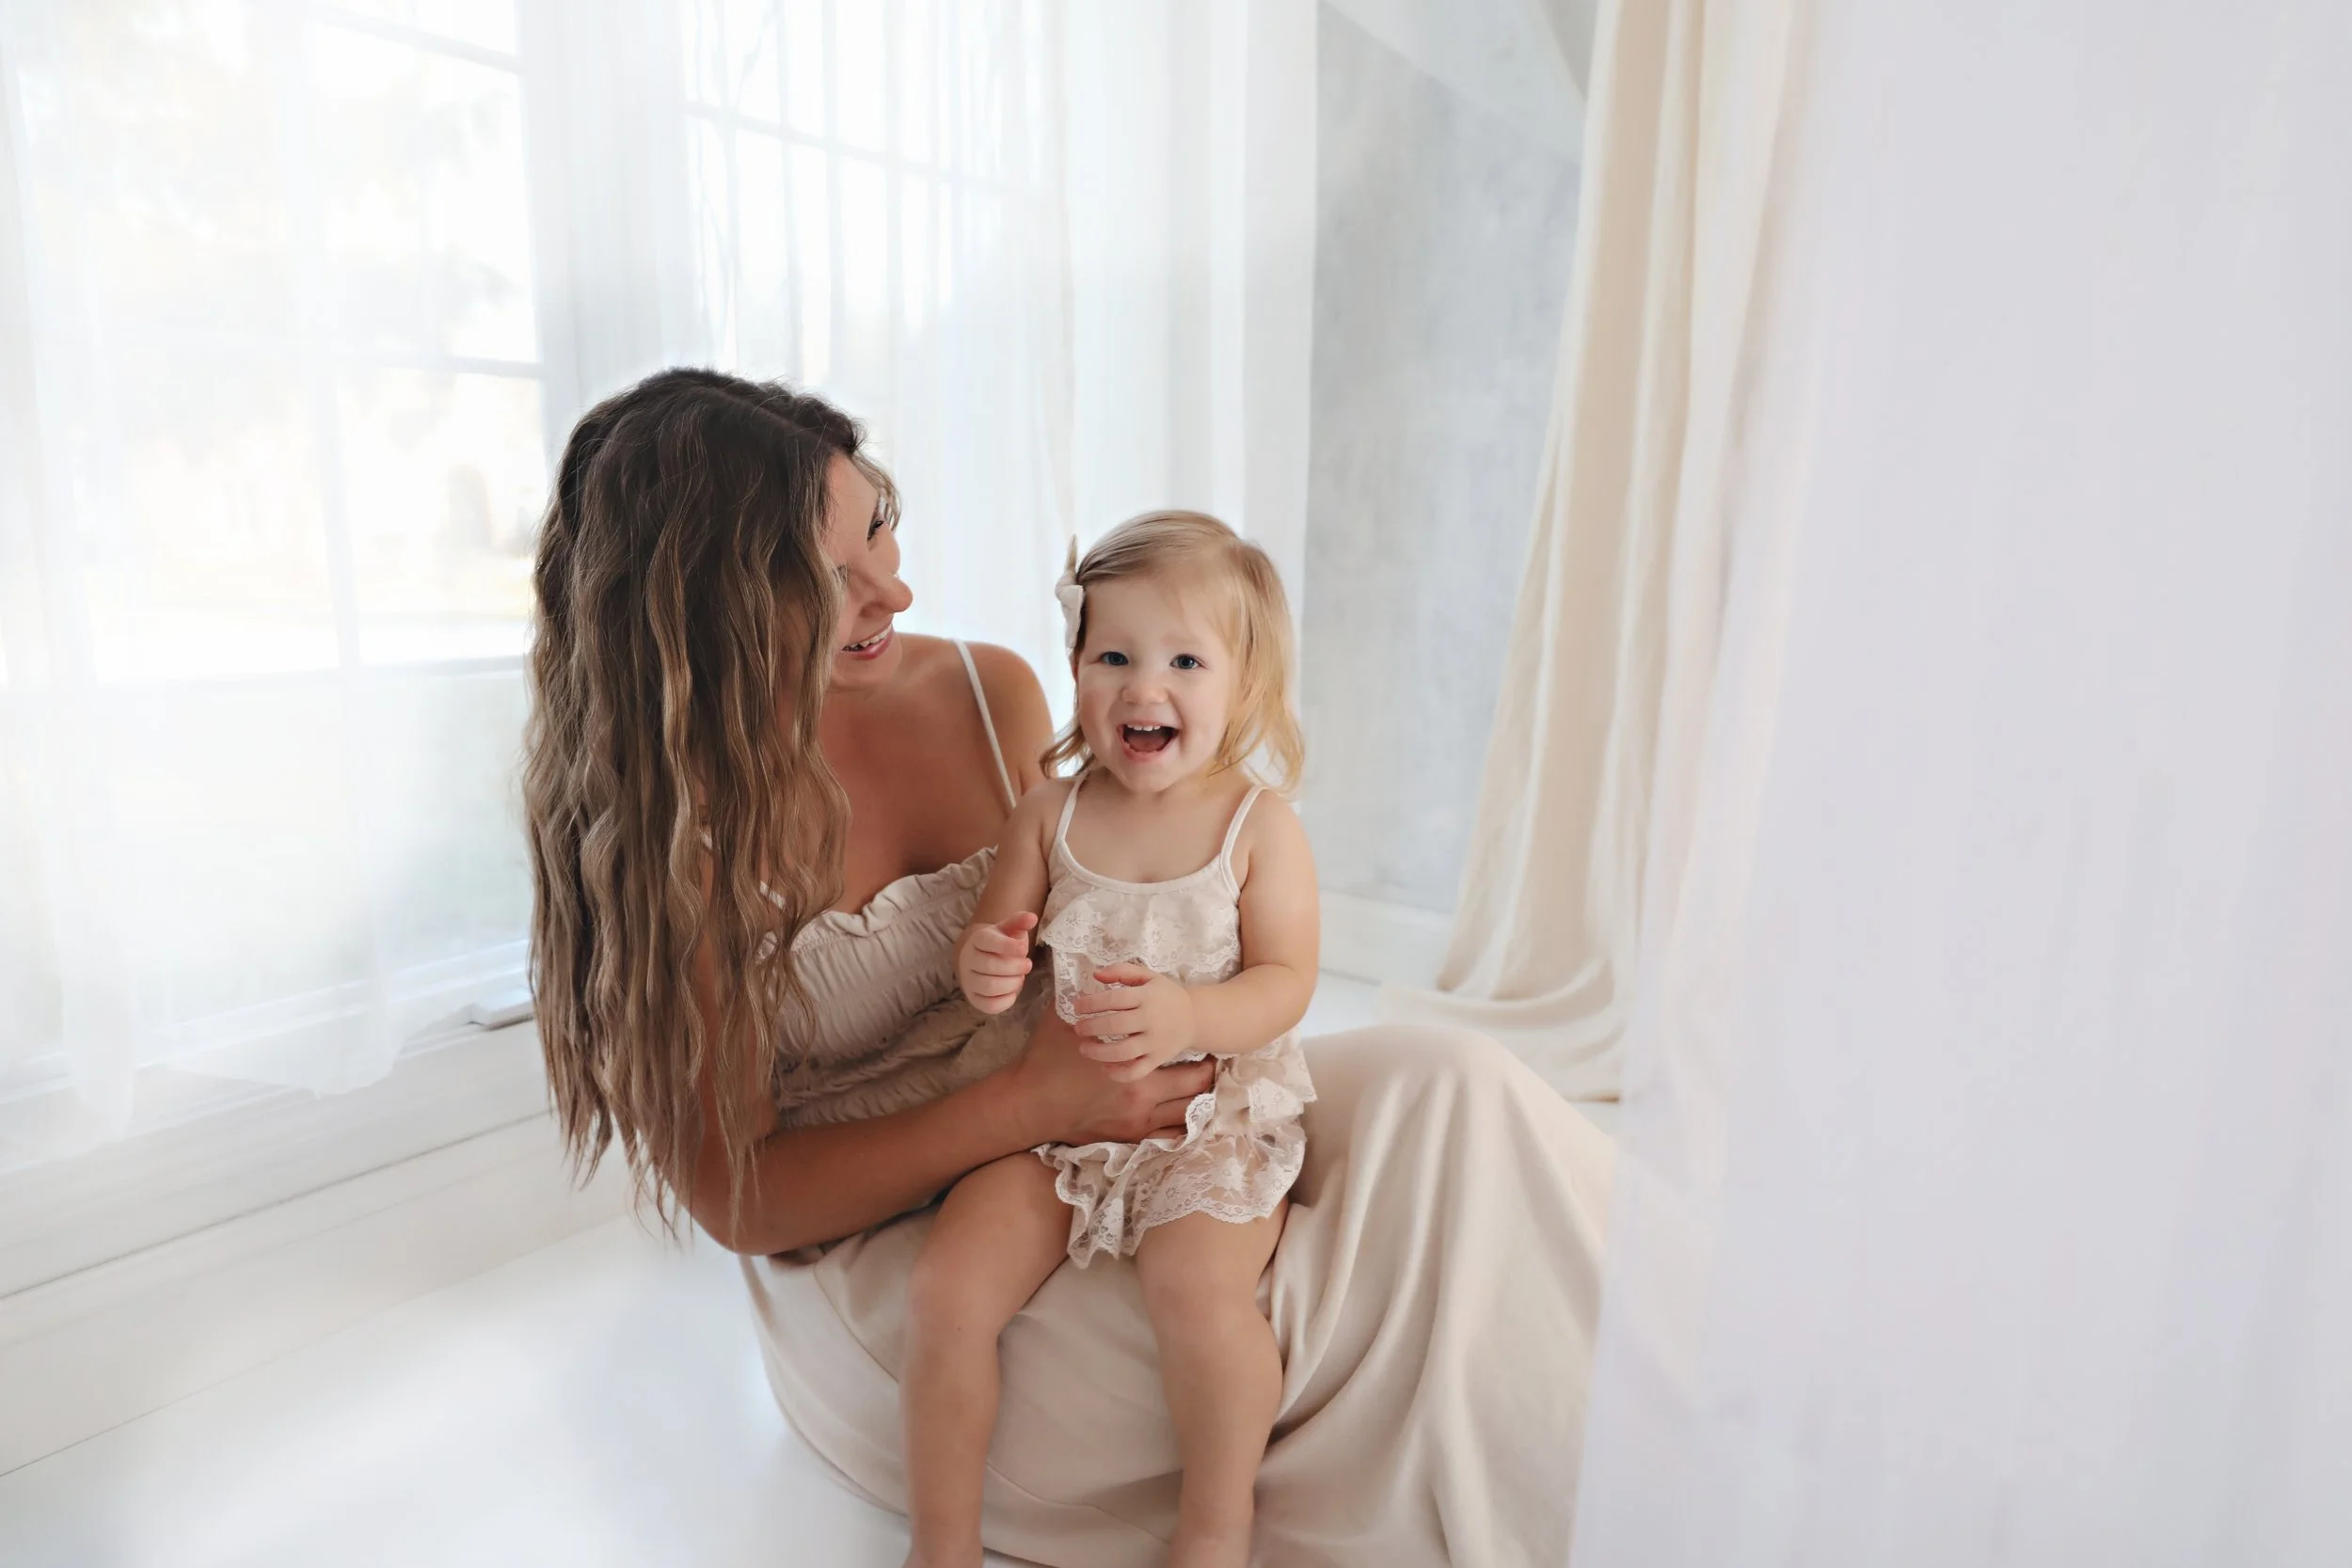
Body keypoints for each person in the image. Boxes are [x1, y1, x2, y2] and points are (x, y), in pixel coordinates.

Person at [523, 368, 1614, 1568]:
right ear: (713, 610)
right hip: (900, 1225)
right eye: (829, 578)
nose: (897, 585)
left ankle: (1670, 1418)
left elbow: (1127, 891)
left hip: (1107, 1087)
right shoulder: (679, 836)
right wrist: (1031, 1103)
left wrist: (1163, 1036)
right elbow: (744, 1196)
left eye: (880, 521)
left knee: (1453, 1092)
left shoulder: (986, 691)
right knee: (1287, 1313)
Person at [909, 513, 1319, 1568]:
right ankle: (942, 1542)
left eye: (1185, 659)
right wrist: (986, 967)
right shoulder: (1049, 812)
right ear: (1076, 667)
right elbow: (994, 942)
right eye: (1113, 656)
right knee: (948, 1284)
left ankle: (1214, 1527)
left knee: (1198, 1289)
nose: (1145, 687)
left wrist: (1190, 1013)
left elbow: (1285, 982)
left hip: (1202, 1115)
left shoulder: (1254, 823)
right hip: (1058, 1117)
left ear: (1243, 684)